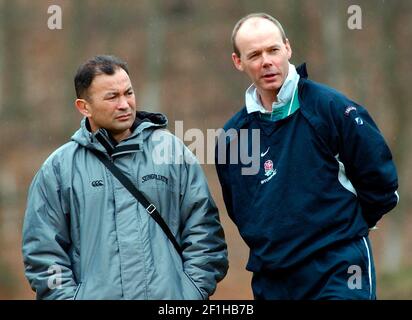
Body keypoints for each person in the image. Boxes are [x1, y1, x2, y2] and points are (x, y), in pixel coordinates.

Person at [215, 13, 399, 300]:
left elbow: (380, 182)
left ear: (287, 48)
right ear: (238, 62)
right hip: (273, 280)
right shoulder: (232, 136)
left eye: (273, 50)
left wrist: (347, 229)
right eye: (255, 54)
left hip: (338, 268)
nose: (267, 61)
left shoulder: (331, 108)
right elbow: (241, 211)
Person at [22, 55, 228, 300]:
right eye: (112, 97)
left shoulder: (171, 153)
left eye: (128, 93)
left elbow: (204, 231)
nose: (125, 104)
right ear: (84, 106)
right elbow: (44, 254)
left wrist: (190, 293)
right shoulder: (58, 169)